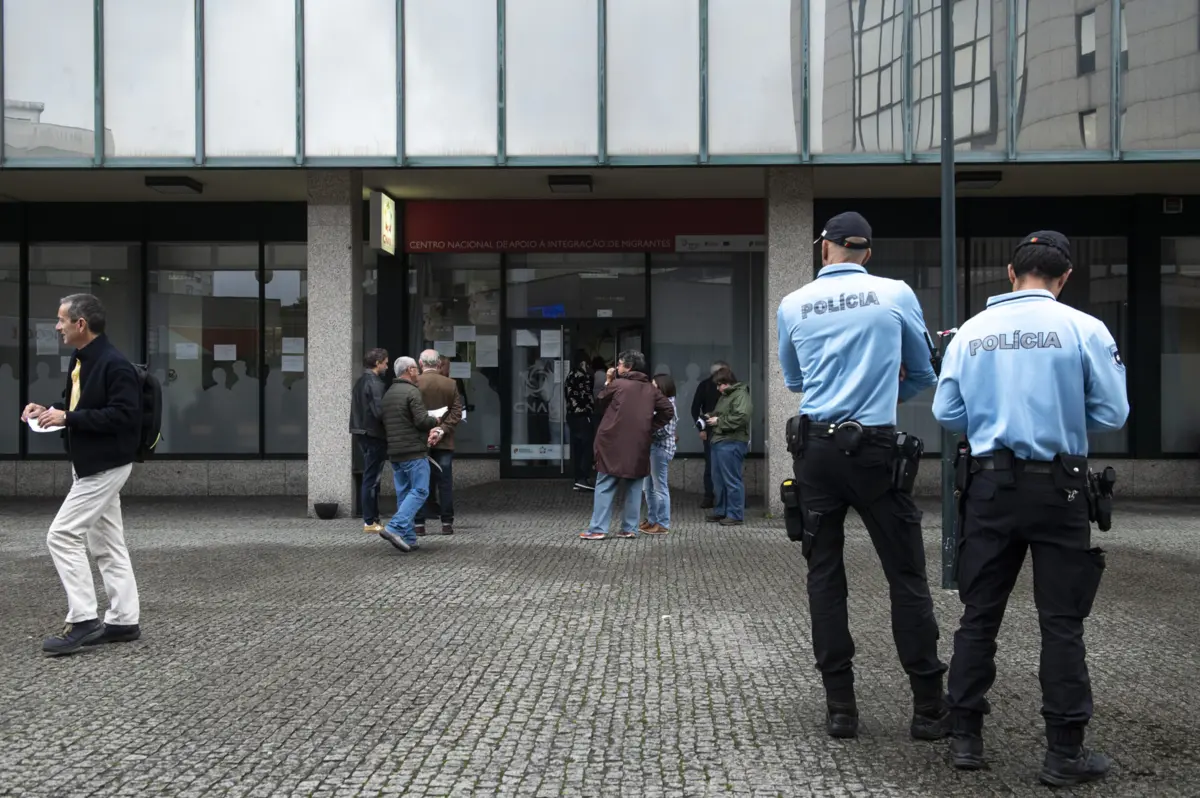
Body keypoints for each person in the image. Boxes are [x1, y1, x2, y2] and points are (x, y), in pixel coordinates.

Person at [932, 231, 1129, 786]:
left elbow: (948, 413)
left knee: (979, 615)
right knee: (1061, 623)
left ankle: (966, 737)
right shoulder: (1084, 329)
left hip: (990, 488)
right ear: (1064, 278)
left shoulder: (972, 332)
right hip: (1060, 488)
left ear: (1011, 274)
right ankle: (1063, 753)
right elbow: (1113, 412)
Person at [777, 211, 946, 740]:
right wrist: (881, 392)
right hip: (875, 451)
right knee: (906, 577)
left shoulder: (792, 303)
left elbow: (796, 379)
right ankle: (927, 708)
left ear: (822, 248)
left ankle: (841, 708)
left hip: (816, 452)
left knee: (825, 577)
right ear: (867, 253)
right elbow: (924, 372)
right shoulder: (896, 294)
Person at [20, 294, 143, 655]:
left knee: (61, 535)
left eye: (61, 320)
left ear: (80, 325)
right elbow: (79, 406)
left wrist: (68, 418)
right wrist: (49, 410)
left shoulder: (114, 364)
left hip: (105, 465)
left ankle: (84, 619)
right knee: (107, 544)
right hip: (90, 462)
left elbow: (124, 416)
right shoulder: (82, 358)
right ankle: (123, 621)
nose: (56, 327)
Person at [579, 350, 674, 541]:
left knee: (605, 484)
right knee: (634, 487)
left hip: (612, 442)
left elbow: (599, 401)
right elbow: (668, 410)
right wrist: (648, 428)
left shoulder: (618, 384)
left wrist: (608, 380)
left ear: (628, 367)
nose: (617, 367)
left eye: (620, 363)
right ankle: (629, 528)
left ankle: (598, 528)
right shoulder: (651, 389)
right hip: (638, 444)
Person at [378, 356, 439, 553]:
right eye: (416, 369)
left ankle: (409, 537)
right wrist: (435, 420)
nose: (419, 373)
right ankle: (394, 527)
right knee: (421, 490)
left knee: (404, 494)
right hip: (413, 450)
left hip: (395, 452)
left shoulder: (389, 393)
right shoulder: (412, 392)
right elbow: (421, 421)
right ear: (410, 370)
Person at [415, 349, 462, 536]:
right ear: (439, 364)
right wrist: (441, 429)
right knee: (445, 482)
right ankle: (446, 523)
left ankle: (419, 524)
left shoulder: (413, 383)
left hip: (419, 440)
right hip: (444, 440)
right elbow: (457, 413)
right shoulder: (450, 384)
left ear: (420, 363)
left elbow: (410, 412)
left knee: (419, 482)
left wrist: (424, 429)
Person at [705, 367, 752, 527]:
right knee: (718, 479)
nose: (718, 388)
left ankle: (735, 514)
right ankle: (722, 511)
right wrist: (710, 416)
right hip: (720, 440)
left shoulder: (740, 395)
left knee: (731, 480)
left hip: (732, 441)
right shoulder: (726, 396)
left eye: (720, 385)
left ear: (727, 382)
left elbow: (742, 416)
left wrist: (718, 421)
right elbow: (723, 413)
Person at [349, 348, 389, 533]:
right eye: (385, 362)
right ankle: (370, 521)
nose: (387, 366)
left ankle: (371, 519)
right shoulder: (375, 383)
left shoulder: (360, 381)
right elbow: (380, 412)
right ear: (378, 362)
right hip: (374, 434)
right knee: (372, 478)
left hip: (362, 432)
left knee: (370, 476)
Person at [640, 373, 678, 535]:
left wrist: (646, 430)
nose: (652, 389)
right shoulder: (658, 403)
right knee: (648, 487)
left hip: (660, 449)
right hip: (652, 448)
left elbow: (665, 432)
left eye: (654, 386)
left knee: (659, 487)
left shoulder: (669, 405)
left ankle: (662, 523)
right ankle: (653, 520)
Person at [690, 361, 726, 508]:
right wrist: (702, 429)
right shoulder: (704, 386)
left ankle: (724, 498)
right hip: (711, 430)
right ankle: (709, 496)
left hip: (726, 429)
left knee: (727, 465)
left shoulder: (734, 387)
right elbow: (695, 408)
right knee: (711, 464)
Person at [565, 349, 596, 492]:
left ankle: (578, 478)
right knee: (586, 446)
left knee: (578, 447)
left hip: (572, 415)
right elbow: (587, 396)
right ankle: (583, 477)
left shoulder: (570, 375)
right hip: (583, 415)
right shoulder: (584, 376)